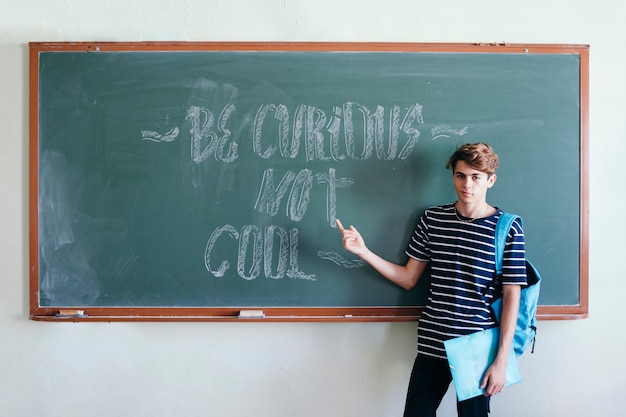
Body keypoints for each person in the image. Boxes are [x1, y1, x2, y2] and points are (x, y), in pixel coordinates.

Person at [336, 143, 527, 417]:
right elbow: (408, 278)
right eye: (460, 175)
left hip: (476, 347)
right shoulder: (433, 219)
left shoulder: (508, 227)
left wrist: (501, 359)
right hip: (432, 343)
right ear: (453, 176)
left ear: (490, 180)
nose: (467, 184)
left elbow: (512, 296)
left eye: (476, 177)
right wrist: (364, 252)